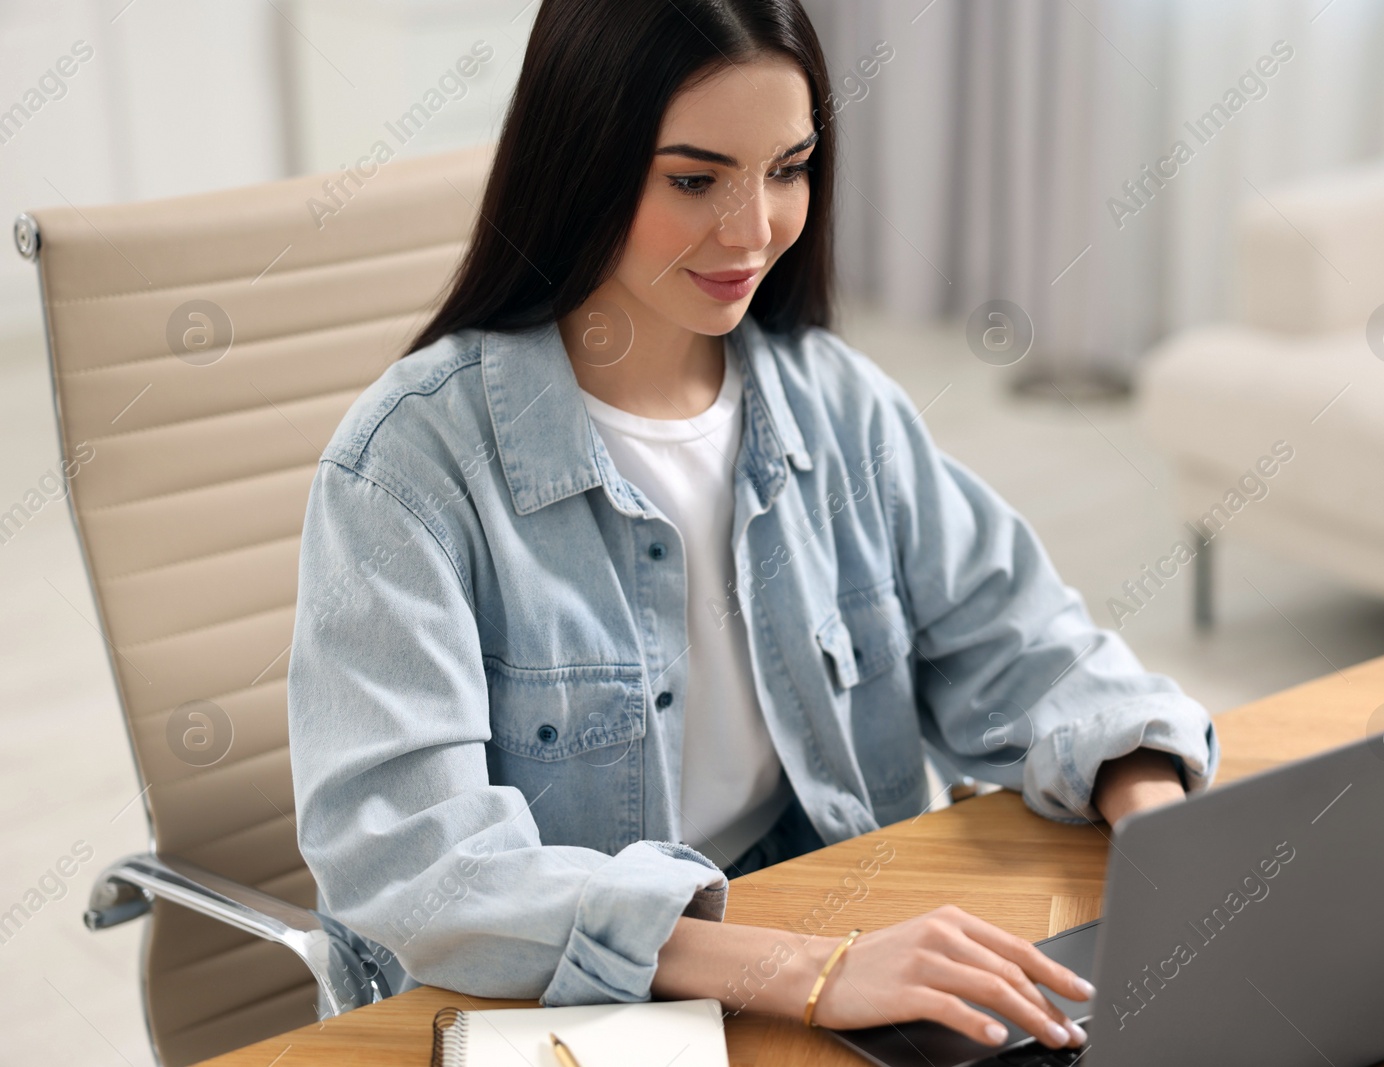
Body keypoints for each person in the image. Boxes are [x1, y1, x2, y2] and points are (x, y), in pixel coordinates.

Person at [287, 0, 1217, 1053]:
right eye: (694, 179)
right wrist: (805, 968)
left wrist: (1154, 819)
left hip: (813, 937)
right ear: (581, 163)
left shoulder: (836, 403)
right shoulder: (409, 466)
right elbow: (418, 864)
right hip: (553, 1008)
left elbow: (1025, 643)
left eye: (789, 167)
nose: (754, 227)